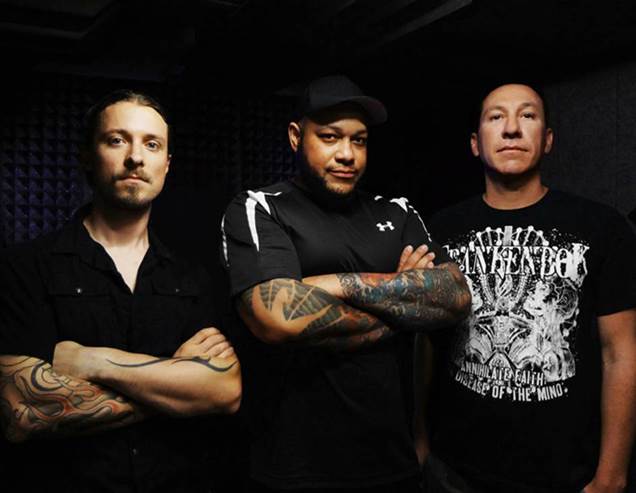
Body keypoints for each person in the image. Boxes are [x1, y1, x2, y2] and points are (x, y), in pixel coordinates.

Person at [221, 75, 471, 492]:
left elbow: (455, 297)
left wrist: (324, 286)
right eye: (330, 137)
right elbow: (277, 315)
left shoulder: (397, 211)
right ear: (295, 137)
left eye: (359, 140)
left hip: (392, 459)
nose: (347, 154)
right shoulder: (260, 208)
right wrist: (403, 299)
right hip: (294, 465)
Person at [0, 90, 241, 492]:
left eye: (152, 144)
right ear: (87, 156)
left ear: (167, 164)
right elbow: (21, 411)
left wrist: (95, 362)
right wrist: (179, 388)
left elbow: (224, 391)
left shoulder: (194, 278)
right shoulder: (24, 268)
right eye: (117, 140)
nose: (135, 157)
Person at [415, 83, 636, 493]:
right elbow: (423, 346)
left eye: (528, 115)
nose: (512, 128)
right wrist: (419, 442)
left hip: (565, 474)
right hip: (455, 472)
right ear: (475, 144)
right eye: (496, 117)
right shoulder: (439, 230)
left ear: (548, 140)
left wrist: (612, 476)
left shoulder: (602, 228)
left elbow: (620, 353)